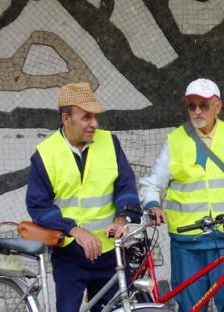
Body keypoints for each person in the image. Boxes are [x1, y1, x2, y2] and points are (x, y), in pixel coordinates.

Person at [139, 78, 224, 311]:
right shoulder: (175, 140)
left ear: (218, 106)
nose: (196, 111)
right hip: (187, 242)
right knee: (191, 307)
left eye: (203, 105)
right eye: (191, 105)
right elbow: (151, 183)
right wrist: (153, 204)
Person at [26, 82, 141, 312]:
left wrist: (122, 219)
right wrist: (75, 231)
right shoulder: (45, 154)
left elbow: (126, 186)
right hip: (69, 256)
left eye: (96, 117)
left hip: (111, 253)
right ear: (66, 119)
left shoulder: (110, 142)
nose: (94, 124)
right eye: (87, 117)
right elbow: (38, 205)